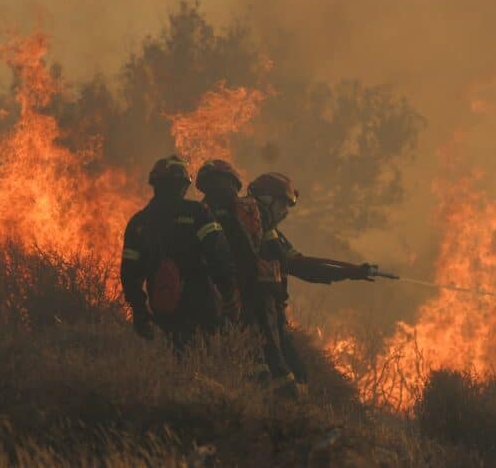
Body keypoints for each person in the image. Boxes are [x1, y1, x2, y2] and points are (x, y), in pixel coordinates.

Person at [247, 172, 378, 394]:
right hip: (257, 316)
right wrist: (350, 272)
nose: (285, 212)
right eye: (282, 205)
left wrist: (350, 271)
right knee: (288, 380)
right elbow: (302, 267)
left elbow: (301, 262)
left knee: (293, 376)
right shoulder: (259, 231)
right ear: (267, 199)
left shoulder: (269, 233)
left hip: (268, 315)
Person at [195, 160, 297, 395]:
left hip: (220, 295)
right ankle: (284, 406)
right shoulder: (251, 212)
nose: (284, 212)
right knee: (270, 357)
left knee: (246, 355)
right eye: (283, 205)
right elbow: (281, 257)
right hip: (254, 296)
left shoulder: (200, 212)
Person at [120, 155, 238, 348]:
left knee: (174, 355)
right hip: (202, 305)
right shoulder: (197, 213)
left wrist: (139, 310)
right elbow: (218, 254)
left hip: (162, 305)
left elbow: (129, 272)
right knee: (205, 357)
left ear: (155, 184)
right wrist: (229, 291)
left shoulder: (138, 222)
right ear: (184, 185)